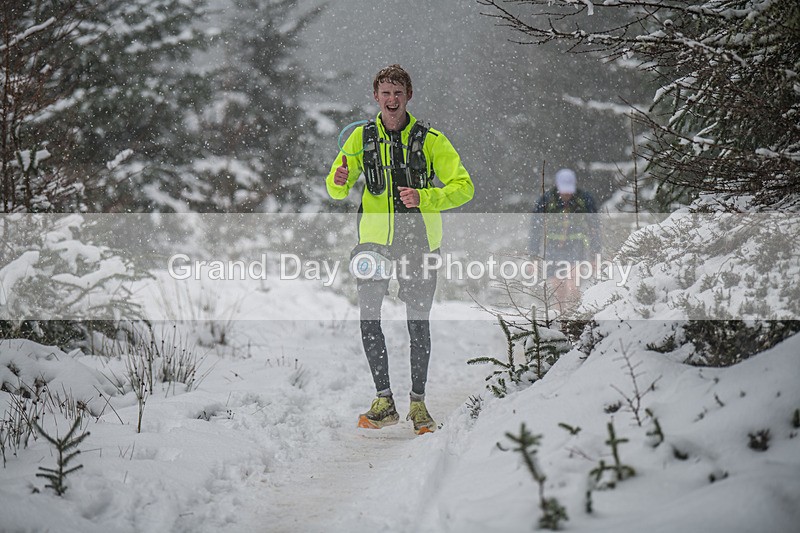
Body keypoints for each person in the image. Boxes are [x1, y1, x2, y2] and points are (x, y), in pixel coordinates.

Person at [326, 65, 474, 435]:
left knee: (417, 323)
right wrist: (338, 181)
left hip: (419, 240)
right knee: (369, 317)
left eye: (398, 93)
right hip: (373, 243)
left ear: (408, 96)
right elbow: (336, 187)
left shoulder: (432, 140)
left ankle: (418, 404)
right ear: (375, 96)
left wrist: (425, 196)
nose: (392, 101)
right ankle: (383, 401)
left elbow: (464, 187)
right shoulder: (360, 138)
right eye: (385, 93)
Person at [529, 168, 600, 313]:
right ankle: (560, 319)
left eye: (569, 189)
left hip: (576, 247)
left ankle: (575, 316)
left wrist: (595, 254)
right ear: (557, 185)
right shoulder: (546, 200)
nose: (566, 193)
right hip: (552, 249)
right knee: (557, 288)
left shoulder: (585, 199)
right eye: (563, 189)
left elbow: (595, 227)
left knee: (573, 285)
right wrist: (533, 256)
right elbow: (535, 229)